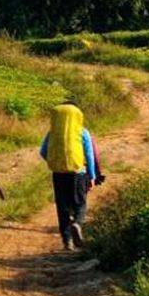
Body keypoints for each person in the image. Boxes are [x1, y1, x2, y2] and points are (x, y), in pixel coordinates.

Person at [40, 100, 104, 250]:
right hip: (78, 173)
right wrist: (92, 176)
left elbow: (43, 152)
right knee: (80, 204)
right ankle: (77, 222)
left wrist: (56, 162)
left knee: (62, 207)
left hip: (58, 173)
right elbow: (89, 155)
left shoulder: (52, 132)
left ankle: (67, 241)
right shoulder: (82, 132)